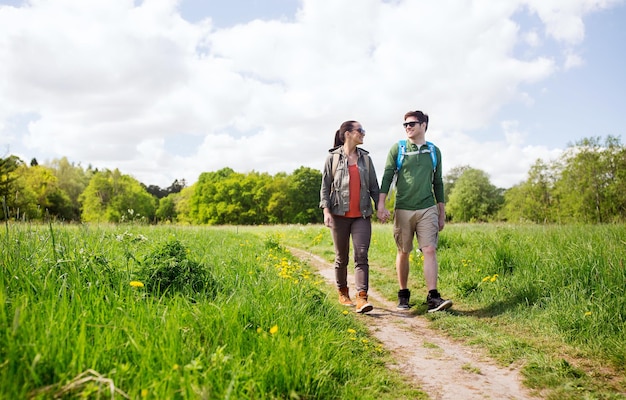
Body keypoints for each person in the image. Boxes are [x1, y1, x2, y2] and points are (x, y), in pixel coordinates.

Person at [377, 110, 452, 312]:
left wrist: (441, 212)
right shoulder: (398, 148)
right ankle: (403, 295)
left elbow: (438, 182)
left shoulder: (434, 151)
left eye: (412, 124)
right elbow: (387, 177)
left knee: (429, 249)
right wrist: (381, 204)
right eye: (405, 125)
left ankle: (433, 297)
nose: (408, 127)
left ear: (424, 125)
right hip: (403, 208)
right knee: (404, 251)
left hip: (428, 207)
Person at [320, 120, 380, 314]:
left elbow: (374, 187)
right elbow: (325, 186)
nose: (363, 133)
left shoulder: (366, 159)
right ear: (347, 133)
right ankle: (342, 292)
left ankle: (362, 298)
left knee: (361, 255)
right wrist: (326, 211)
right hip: (339, 215)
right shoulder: (333, 158)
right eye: (360, 130)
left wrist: (381, 206)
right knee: (341, 258)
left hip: (361, 215)